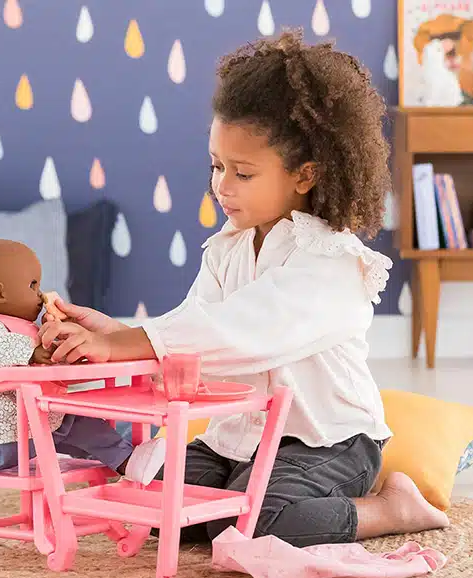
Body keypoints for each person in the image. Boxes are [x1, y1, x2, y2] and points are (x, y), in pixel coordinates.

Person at [37, 29, 450, 546]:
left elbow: (242, 332)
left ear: (305, 175)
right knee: (156, 499)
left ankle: (392, 508)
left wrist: (127, 341)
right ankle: (229, 506)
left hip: (323, 441)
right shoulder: (227, 249)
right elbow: (193, 339)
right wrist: (117, 335)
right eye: (216, 166)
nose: (222, 186)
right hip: (241, 437)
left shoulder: (332, 262)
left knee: (261, 524)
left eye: (243, 173)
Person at [0, 239, 165, 485]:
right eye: (33, 285)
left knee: (79, 423)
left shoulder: (23, 328)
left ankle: (125, 460)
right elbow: (1, 350)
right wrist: (34, 353)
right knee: (77, 423)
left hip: (29, 427)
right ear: (0, 293)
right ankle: (127, 460)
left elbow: (45, 363)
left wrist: (64, 343)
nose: (41, 294)